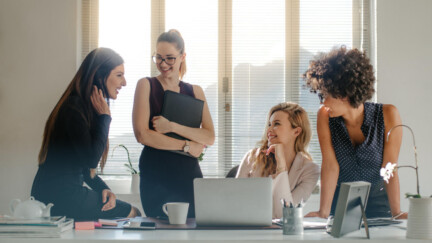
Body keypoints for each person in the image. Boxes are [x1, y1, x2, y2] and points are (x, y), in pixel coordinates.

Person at [31, 47, 140, 221]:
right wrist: (105, 118)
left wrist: (105, 189)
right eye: (119, 75)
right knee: (133, 213)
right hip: (60, 196)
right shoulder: (74, 108)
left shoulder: (81, 108)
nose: (124, 82)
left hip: (57, 193)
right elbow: (90, 159)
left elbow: (84, 167)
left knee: (125, 212)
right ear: (99, 75)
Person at [303, 46, 407, 219]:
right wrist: (323, 212)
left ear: (343, 93)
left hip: (379, 203)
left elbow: (389, 168)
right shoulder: (325, 116)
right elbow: (330, 166)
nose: (322, 103)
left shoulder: (388, 114)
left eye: (324, 95)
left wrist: (397, 212)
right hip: (341, 202)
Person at [132, 29, 215, 217]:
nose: (163, 64)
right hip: (156, 173)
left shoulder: (196, 91)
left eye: (170, 58)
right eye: (158, 58)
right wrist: (187, 146)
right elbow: (142, 134)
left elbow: (209, 137)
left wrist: (171, 127)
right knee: (160, 229)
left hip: (188, 175)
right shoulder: (146, 85)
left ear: (182, 56)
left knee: (192, 229)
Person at [236, 102, 320, 219]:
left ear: (296, 131)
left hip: (280, 234)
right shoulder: (252, 157)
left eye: (276, 124)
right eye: (269, 124)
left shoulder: (310, 170)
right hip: (248, 225)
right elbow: (235, 203)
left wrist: (281, 165)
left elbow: (286, 214)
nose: (269, 129)